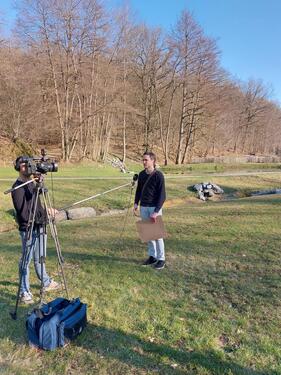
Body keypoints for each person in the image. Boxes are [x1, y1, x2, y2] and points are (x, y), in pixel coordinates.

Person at [11, 156, 59, 304]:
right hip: (28, 229)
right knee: (26, 260)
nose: (28, 168)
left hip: (40, 225)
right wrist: (45, 213)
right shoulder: (17, 188)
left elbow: (37, 205)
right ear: (18, 168)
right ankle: (24, 291)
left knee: (41, 258)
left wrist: (46, 211)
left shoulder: (33, 183)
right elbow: (24, 214)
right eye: (24, 166)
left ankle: (45, 282)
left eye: (29, 165)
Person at [134, 152, 166, 270]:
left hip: (154, 208)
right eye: (143, 160)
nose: (144, 162)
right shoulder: (142, 174)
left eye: (146, 160)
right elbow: (139, 190)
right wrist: (136, 203)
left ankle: (161, 259)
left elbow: (162, 196)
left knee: (157, 235)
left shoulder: (159, 176)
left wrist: (156, 211)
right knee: (148, 234)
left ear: (153, 161)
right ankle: (152, 256)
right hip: (144, 207)